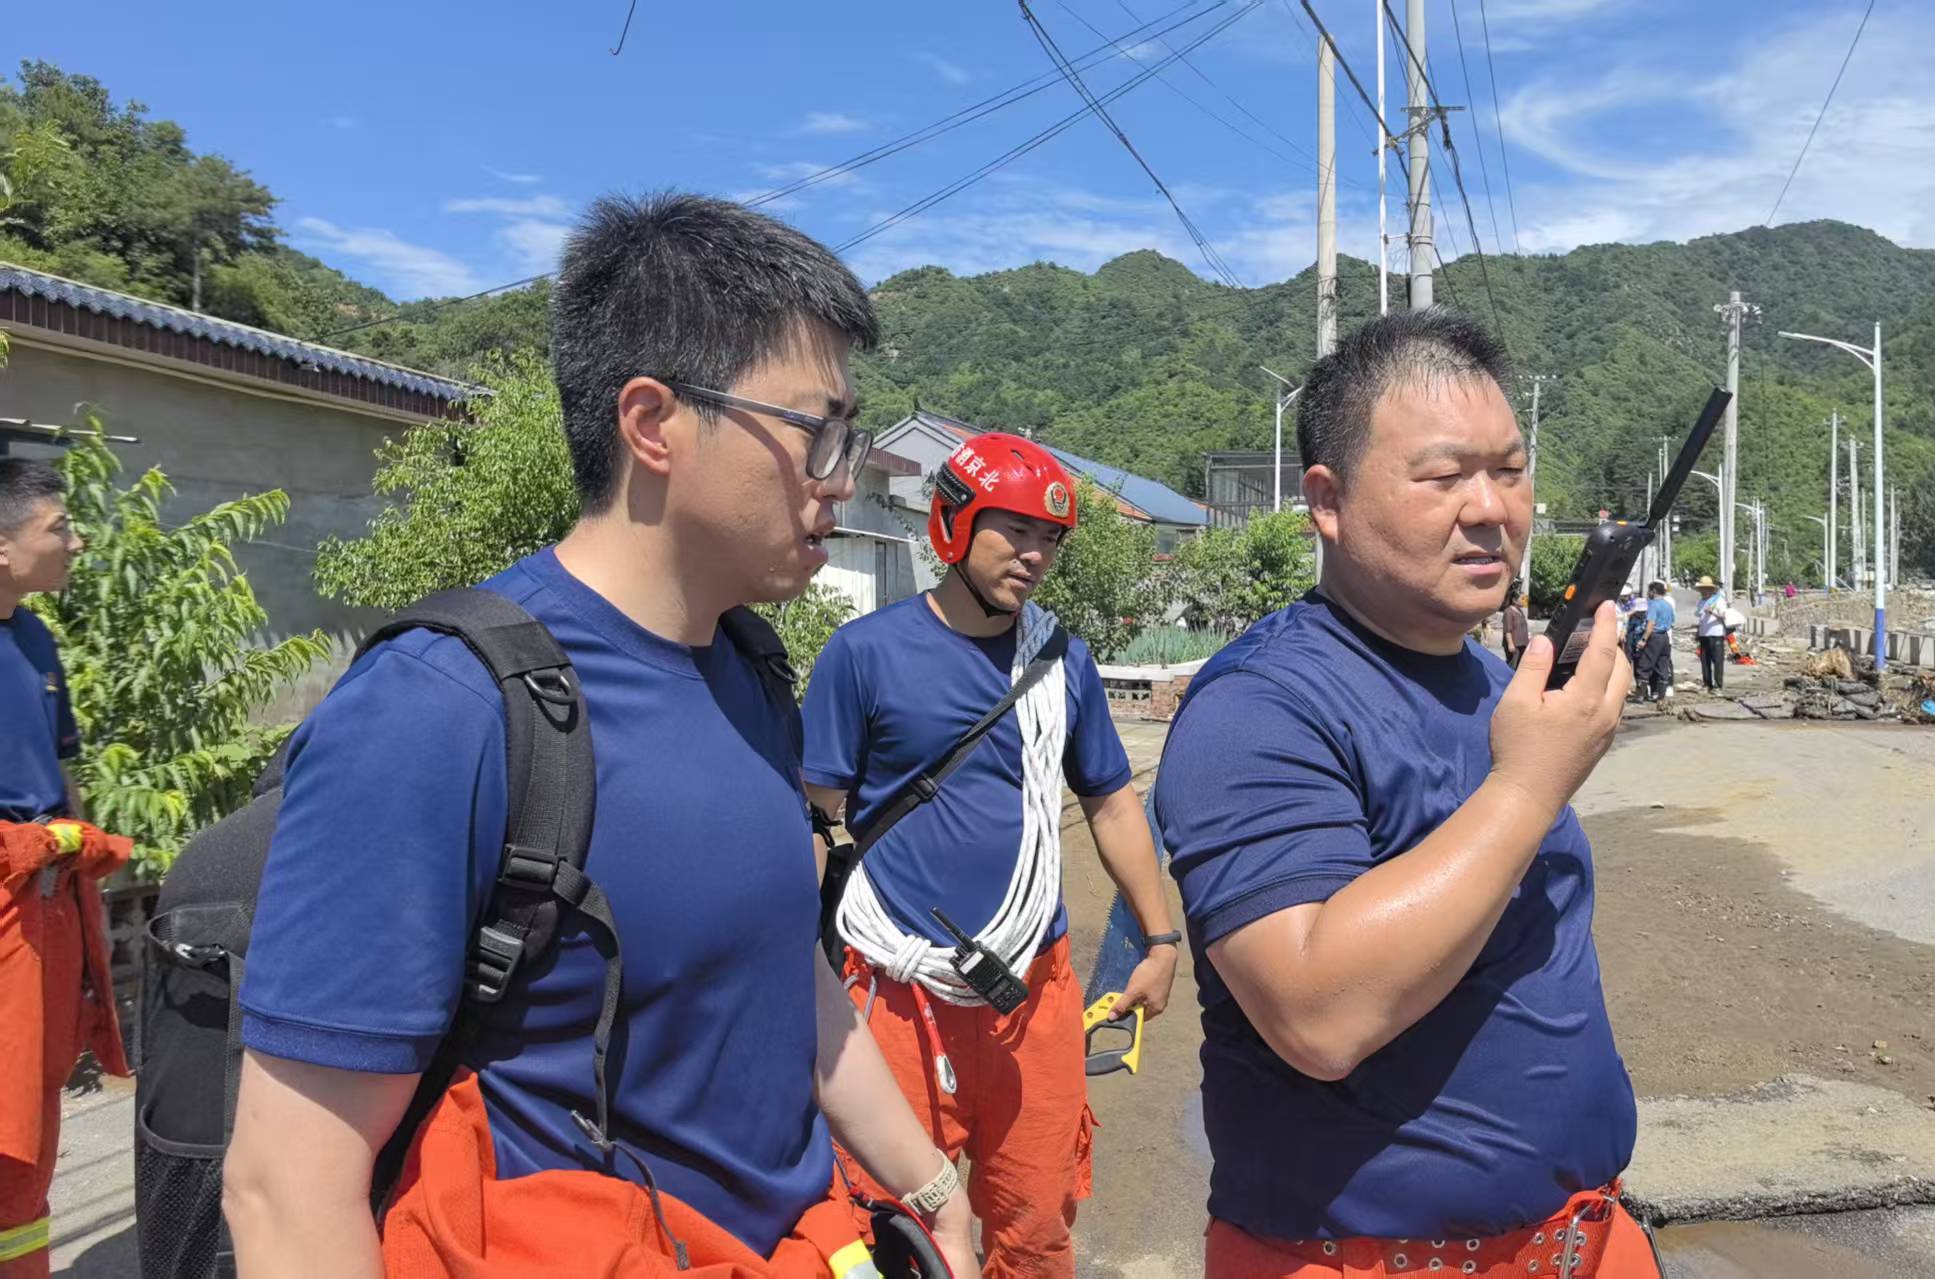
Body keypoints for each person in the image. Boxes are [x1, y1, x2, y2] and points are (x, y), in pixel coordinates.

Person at [222, 194, 979, 1278]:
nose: (840, 477)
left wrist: (931, 1184)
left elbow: (786, 977)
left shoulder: (752, 672)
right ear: (653, 422)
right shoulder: (444, 709)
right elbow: (288, 1188)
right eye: (817, 431)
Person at [1156, 310, 1657, 1278]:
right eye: (1442, 476)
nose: (1489, 509)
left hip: (1580, 1239)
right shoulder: (1258, 705)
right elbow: (1316, 1012)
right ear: (1327, 501)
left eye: (1508, 472)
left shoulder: (1484, 677)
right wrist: (1528, 786)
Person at [802, 433, 1180, 1279]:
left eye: (1050, 538)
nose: (1036, 553)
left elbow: (1111, 800)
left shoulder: (1062, 661)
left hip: (1030, 995)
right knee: (888, 1221)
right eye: (1014, 530)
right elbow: (810, 817)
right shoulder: (863, 657)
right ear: (953, 522)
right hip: (894, 993)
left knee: (1036, 1219)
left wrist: (1160, 941)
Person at [1, 460, 131, 1279]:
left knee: (31, 1114)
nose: (76, 540)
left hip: (48, 903)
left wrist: (81, 862)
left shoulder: (35, 637)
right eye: (58, 527)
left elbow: (62, 767)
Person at [1641, 581, 1677, 703]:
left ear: (1654, 591)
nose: (1648, 593)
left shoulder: (1654, 605)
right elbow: (1672, 621)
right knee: (1663, 665)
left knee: (1645, 665)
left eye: (1649, 591)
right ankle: (1661, 697)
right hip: (1665, 637)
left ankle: (1640, 696)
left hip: (1655, 637)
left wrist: (1644, 639)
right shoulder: (1668, 605)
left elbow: (1651, 623)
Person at [1694, 574, 1730, 693]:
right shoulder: (1701, 602)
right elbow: (1700, 618)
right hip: (1704, 634)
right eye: (1701, 589)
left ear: (1710, 589)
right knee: (1705, 661)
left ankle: (1718, 685)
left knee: (1717, 660)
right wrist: (1698, 632)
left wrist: (1712, 612)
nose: (1703, 591)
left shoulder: (1719, 600)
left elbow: (1724, 616)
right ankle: (1707, 684)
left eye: (1705, 589)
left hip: (1716, 633)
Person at [1498, 579, 1528, 666]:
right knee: (1512, 666)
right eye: (1522, 599)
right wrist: (1510, 644)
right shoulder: (1508, 612)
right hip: (1514, 645)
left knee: (1519, 667)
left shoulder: (1520, 612)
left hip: (1522, 644)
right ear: (1514, 600)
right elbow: (1507, 630)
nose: (1524, 600)